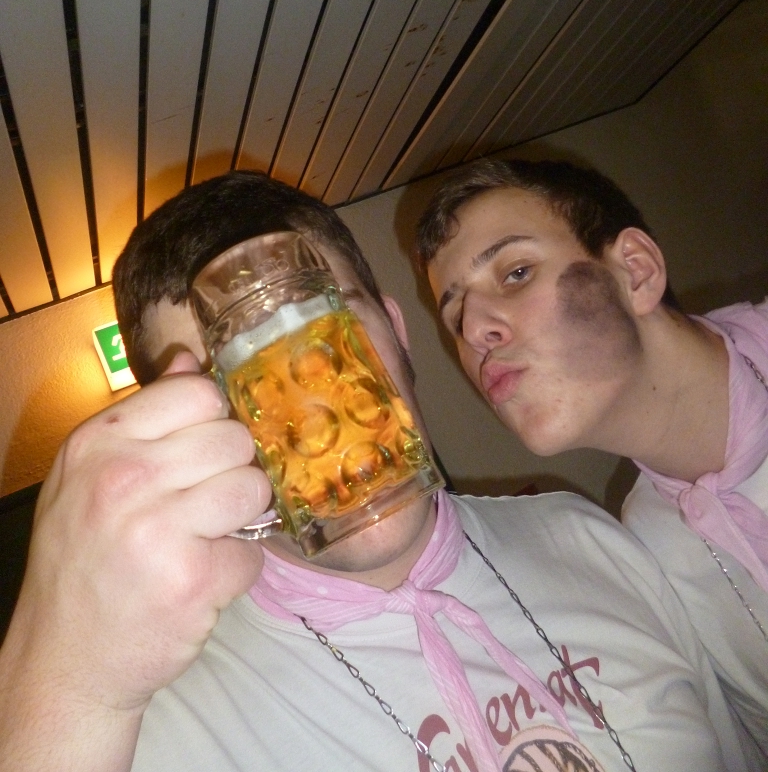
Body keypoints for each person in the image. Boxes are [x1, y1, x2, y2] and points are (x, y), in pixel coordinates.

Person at [0, 171, 752, 772]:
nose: (305, 409)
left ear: (394, 332)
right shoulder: (138, 725)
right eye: (236, 379)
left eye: (326, 332)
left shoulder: (590, 536)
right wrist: (64, 686)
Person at [416, 156, 768, 767]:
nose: (474, 331)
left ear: (636, 271)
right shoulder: (647, 545)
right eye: (455, 316)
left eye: (516, 273)